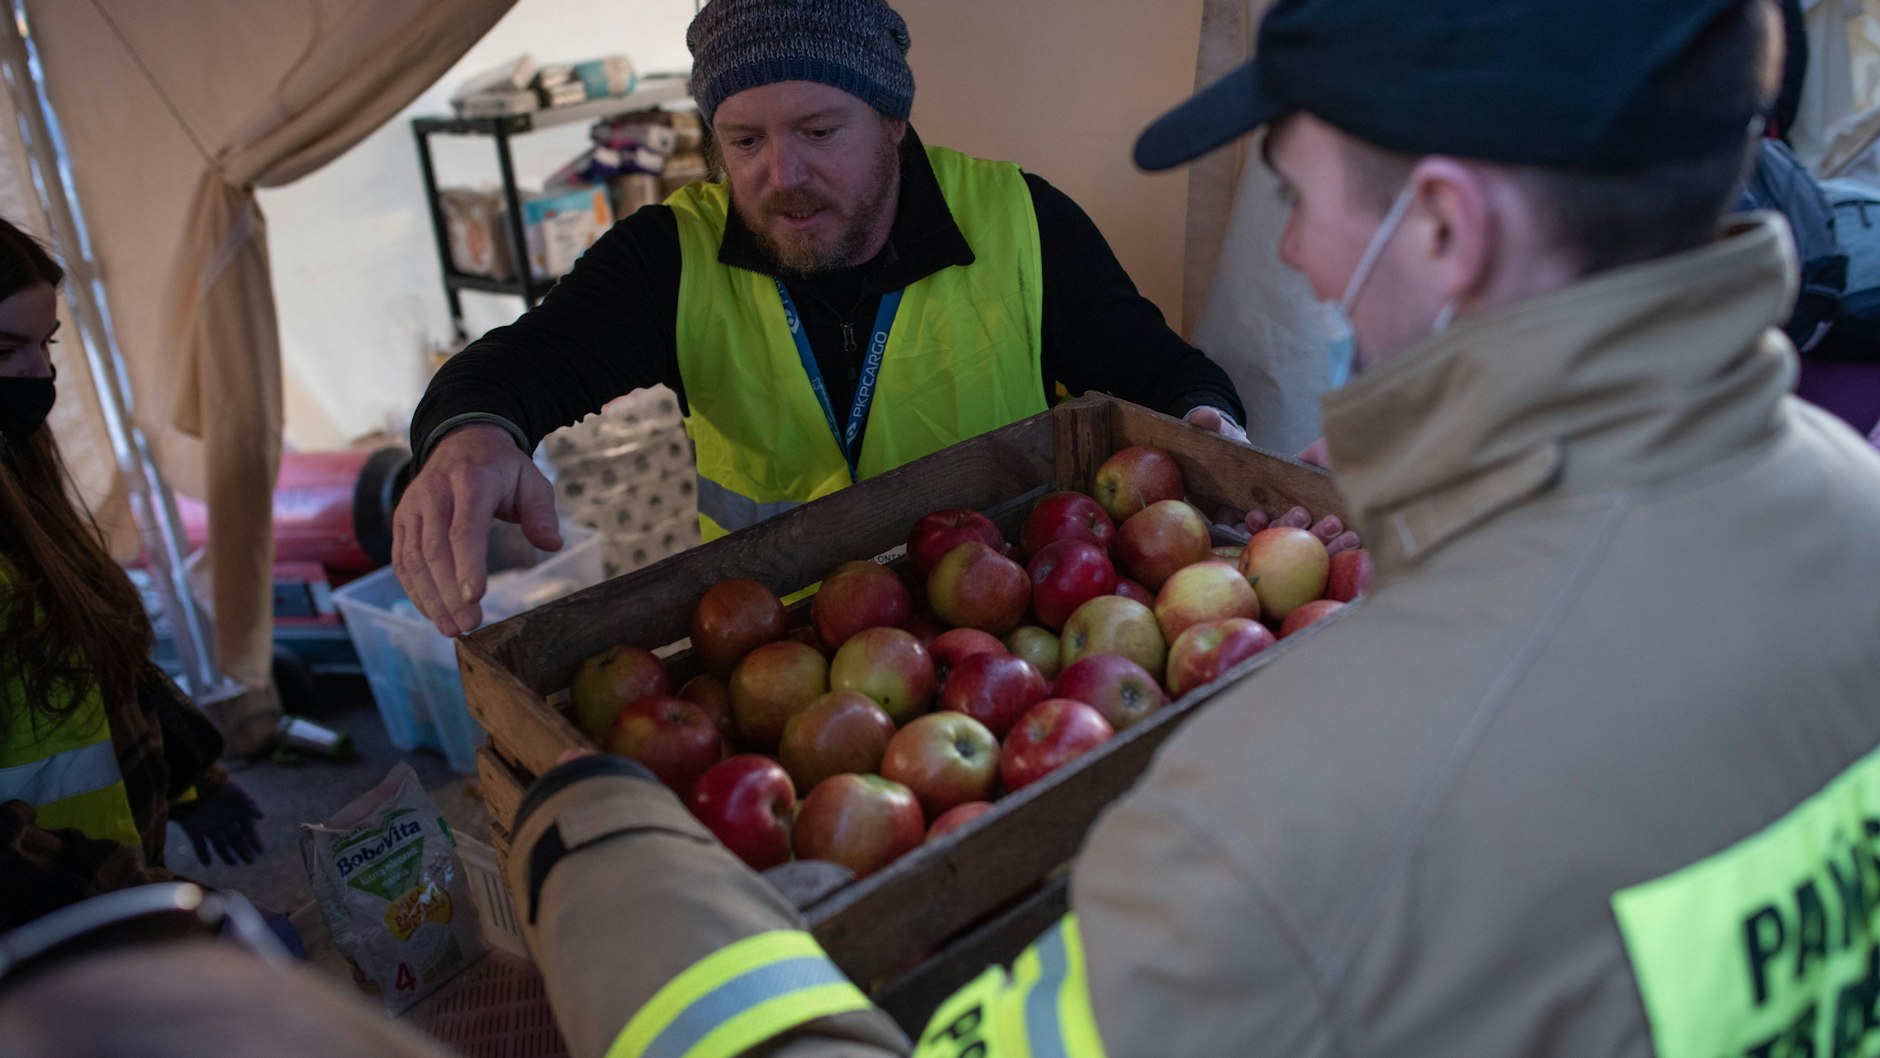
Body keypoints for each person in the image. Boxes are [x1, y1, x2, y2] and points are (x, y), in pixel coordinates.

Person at [487, 0, 1880, 1055]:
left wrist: (613, 869)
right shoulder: (1853, 500)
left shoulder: (1293, 789)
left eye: (1298, 187)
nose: (1293, 251)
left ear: (1445, 230)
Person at [395, 0, 1254, 638]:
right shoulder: (672, 254)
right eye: (744, 142)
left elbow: (1170, 377)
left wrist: (1211, 428)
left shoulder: (1022, 222)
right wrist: (470, 434)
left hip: (1012, 641)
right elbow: (526, 361)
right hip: (774, 652)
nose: (782, 175)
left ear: (892, 118)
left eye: (818, 129)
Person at [0, 218, 264, 931]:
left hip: (96, 887)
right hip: (41, 922)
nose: (40, 374)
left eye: (45, 345)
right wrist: (136, 900)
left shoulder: (23, 488)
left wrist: (189, 772)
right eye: (6, 350)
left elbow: (96, 655)